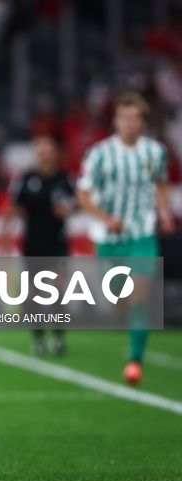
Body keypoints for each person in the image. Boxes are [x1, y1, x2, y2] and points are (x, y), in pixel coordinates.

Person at [76, 91, 174, 385]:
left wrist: (164, 212)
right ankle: (127, 325)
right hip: (109, 237)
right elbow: (83, 194)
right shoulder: (99, 154)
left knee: (140, 296)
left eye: (135, 118)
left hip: (142, 234)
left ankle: (135, 361)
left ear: (142, 121)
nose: (130, 123)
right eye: (124, 117)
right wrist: (106, 218)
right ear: (116, 121)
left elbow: (161, 183)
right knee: (119, 302)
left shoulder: (155, 152)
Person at [3, 134, 75, 357]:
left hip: (57, 241)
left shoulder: (65, 179)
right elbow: (12, 206)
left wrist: (68, 209)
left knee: (57, 289)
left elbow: (77, 202)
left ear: (55, 152)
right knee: (35, 292)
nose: (44, 153)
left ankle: (58, 337)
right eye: (40, 149)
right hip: (33, 241)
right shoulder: (26, 178)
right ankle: (39, 338)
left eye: (47, 149)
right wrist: (4, 237)